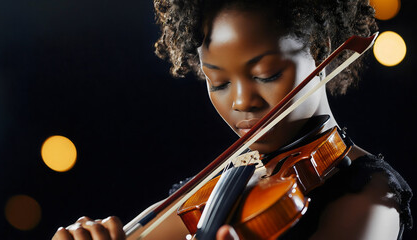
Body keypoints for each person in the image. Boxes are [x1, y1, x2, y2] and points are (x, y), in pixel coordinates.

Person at [52, 0, 412, 239]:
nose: (241, 102)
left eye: (267, 74)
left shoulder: (371, 195)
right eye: (218, 82)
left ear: (319, 50)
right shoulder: (217, 189)